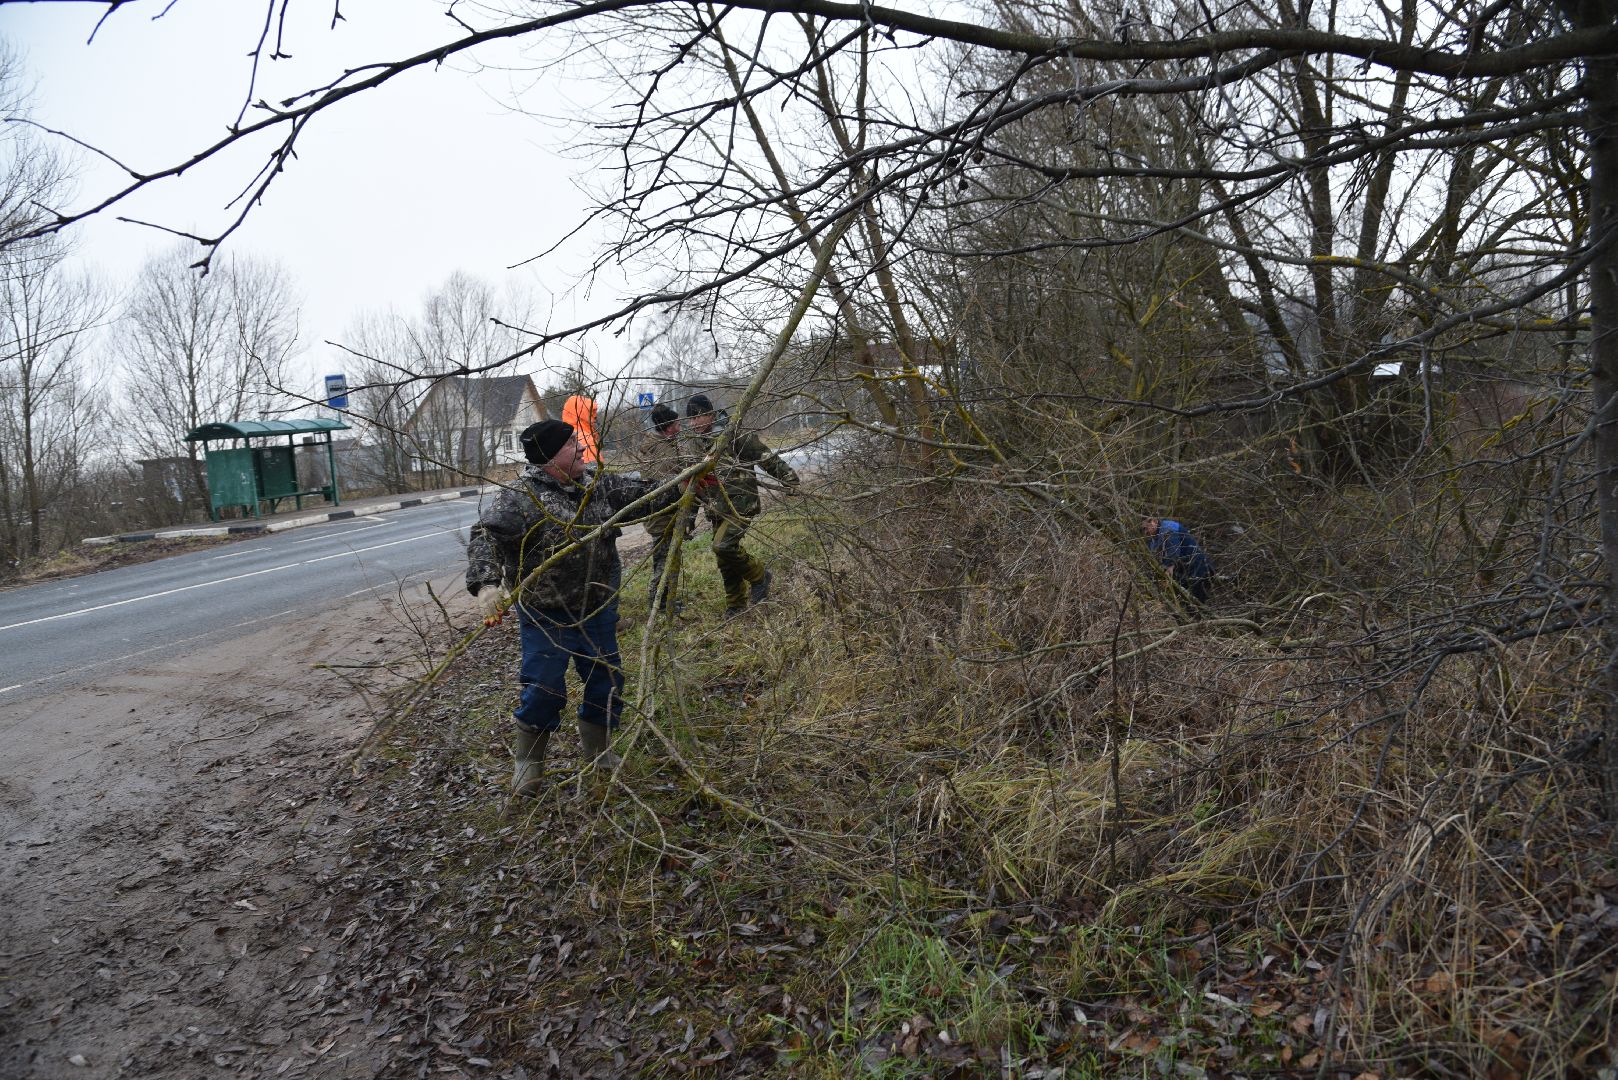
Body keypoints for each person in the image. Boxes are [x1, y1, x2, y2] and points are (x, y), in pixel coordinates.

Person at [466, 418, 677, 799]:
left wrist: (688, 480)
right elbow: (485, 535)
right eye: (573, 444)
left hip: (596, 607)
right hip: (546, 615)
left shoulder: (597, 484)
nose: (582, 448)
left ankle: (600, 754)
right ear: (550, 456)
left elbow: (648, 493)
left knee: (607, 682)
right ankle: (528, 765)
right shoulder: (520, 498)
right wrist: (486, 583)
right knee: (544, 687)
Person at [683, 393, 800, 617]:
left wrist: (789, 478)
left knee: (723, 546)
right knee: (724, 560)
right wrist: (690, 518)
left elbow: (764, 456)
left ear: (709, 415)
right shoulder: (696, 444)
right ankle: (736, 605)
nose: (693, 423)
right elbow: (694, 483)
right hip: (716, 507)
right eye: (690, 420)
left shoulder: (733, 434)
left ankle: (759, 576)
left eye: (697, 418)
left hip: (741, 504)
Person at [633, 403, 692, 613]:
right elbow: (666, 483)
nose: (680, 426)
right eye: (677, 423)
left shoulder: (668, 442)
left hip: (669, 512)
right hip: (661, 515)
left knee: (671, 556)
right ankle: (659, 603)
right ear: (668, 427)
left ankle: (667, 600)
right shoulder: (657, 450)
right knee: (664, 560)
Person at [1143, 516, 1214, 604]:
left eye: (1146, 528)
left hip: (1196, 563)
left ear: (1154, 521)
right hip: (1185, 567)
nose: (1146, 532)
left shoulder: (1168, 528)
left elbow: (1173, 549)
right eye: (1144, 531)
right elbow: (1156, 556)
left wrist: (1169, 567)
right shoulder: (1154, 539)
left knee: (1197, 595)